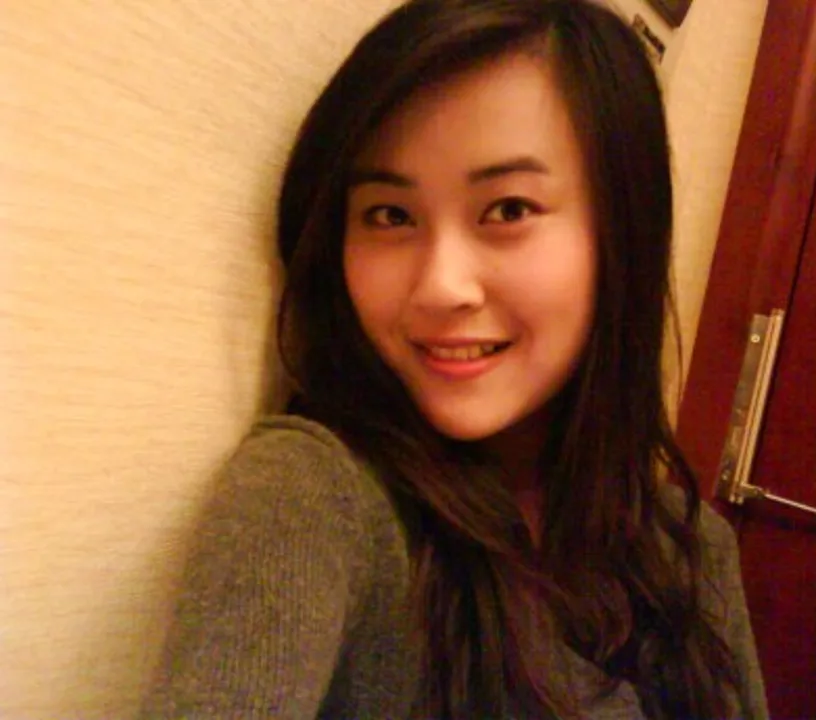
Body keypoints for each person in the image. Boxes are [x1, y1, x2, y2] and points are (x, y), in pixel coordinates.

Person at [139, 0, 768, 717]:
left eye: (508, 209)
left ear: (621, 231)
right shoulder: (318, 501)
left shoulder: (690, 547)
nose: (441, 286)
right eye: (390, 215)